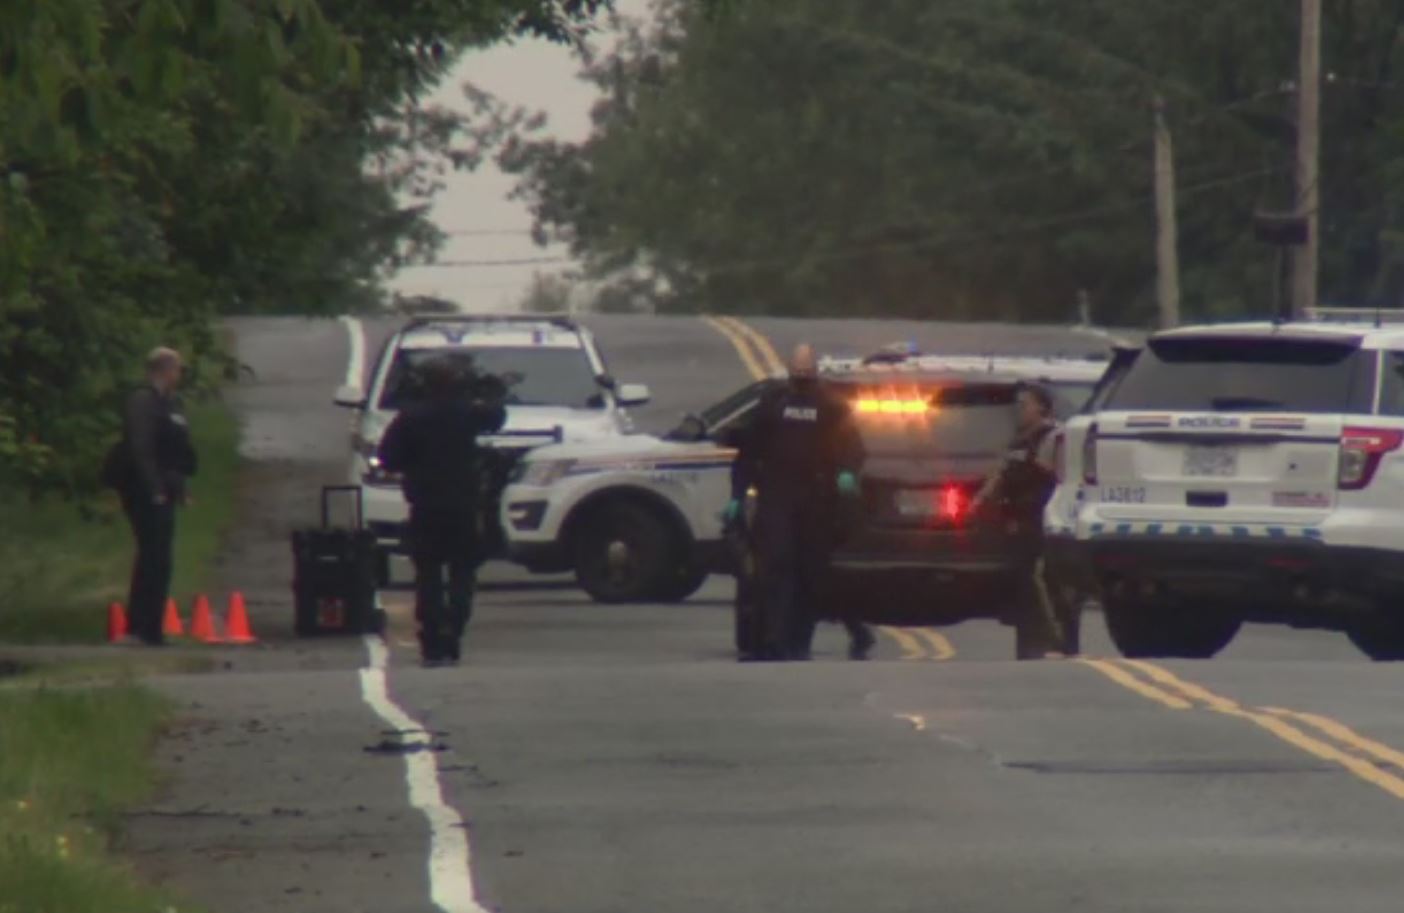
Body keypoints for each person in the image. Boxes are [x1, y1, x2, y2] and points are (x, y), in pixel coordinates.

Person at [728, 344, 874, 661]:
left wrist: (846, 474)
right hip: (776, 497)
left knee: (811, 573)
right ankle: (774, 642)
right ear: (790, 371)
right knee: (775, 567)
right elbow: (749, 451)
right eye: (798, 373)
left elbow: (853, 447)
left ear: (815, 372)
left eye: (806, 373)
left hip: (817, 500)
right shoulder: (774, 403)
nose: (802, 379)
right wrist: (737, 496)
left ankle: (800, 642)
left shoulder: (831, 406)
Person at [377, 357, 506, 666]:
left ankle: (433, 639)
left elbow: (388, 457)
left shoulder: (410, 418)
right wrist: (493, 392)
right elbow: (496, 417)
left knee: (428, 576)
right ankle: (454, 630)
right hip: (463, 506)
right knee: (463, 574)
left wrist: (413, 464)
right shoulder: (467, 414)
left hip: (426, 507)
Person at [971, 382, 1071, 659]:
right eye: (1016, 404)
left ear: (1041, 407)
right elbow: (1001, 473)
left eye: (1024, 404)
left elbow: (1061, 478)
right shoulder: (1018, 439)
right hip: (1017, 521)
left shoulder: (1053, 437)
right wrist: (980, 501)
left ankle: (1057, 641)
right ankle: (1030, 645)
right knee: (1021, 582)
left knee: (1042, 581)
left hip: (1042, 520)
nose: (1018, 409)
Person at [114, 347, 197, 646]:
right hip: (144, 489)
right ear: (164, 370)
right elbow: (142, 448)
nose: (180, 375)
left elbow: (175, 450)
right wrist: (154, 488)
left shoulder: (170, 403)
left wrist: (180, 488)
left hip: (165, 486)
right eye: (177, 369)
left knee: (161, 558)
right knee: (152, 555)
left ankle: (152, 626)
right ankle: (140, 626)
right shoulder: (143, 401)